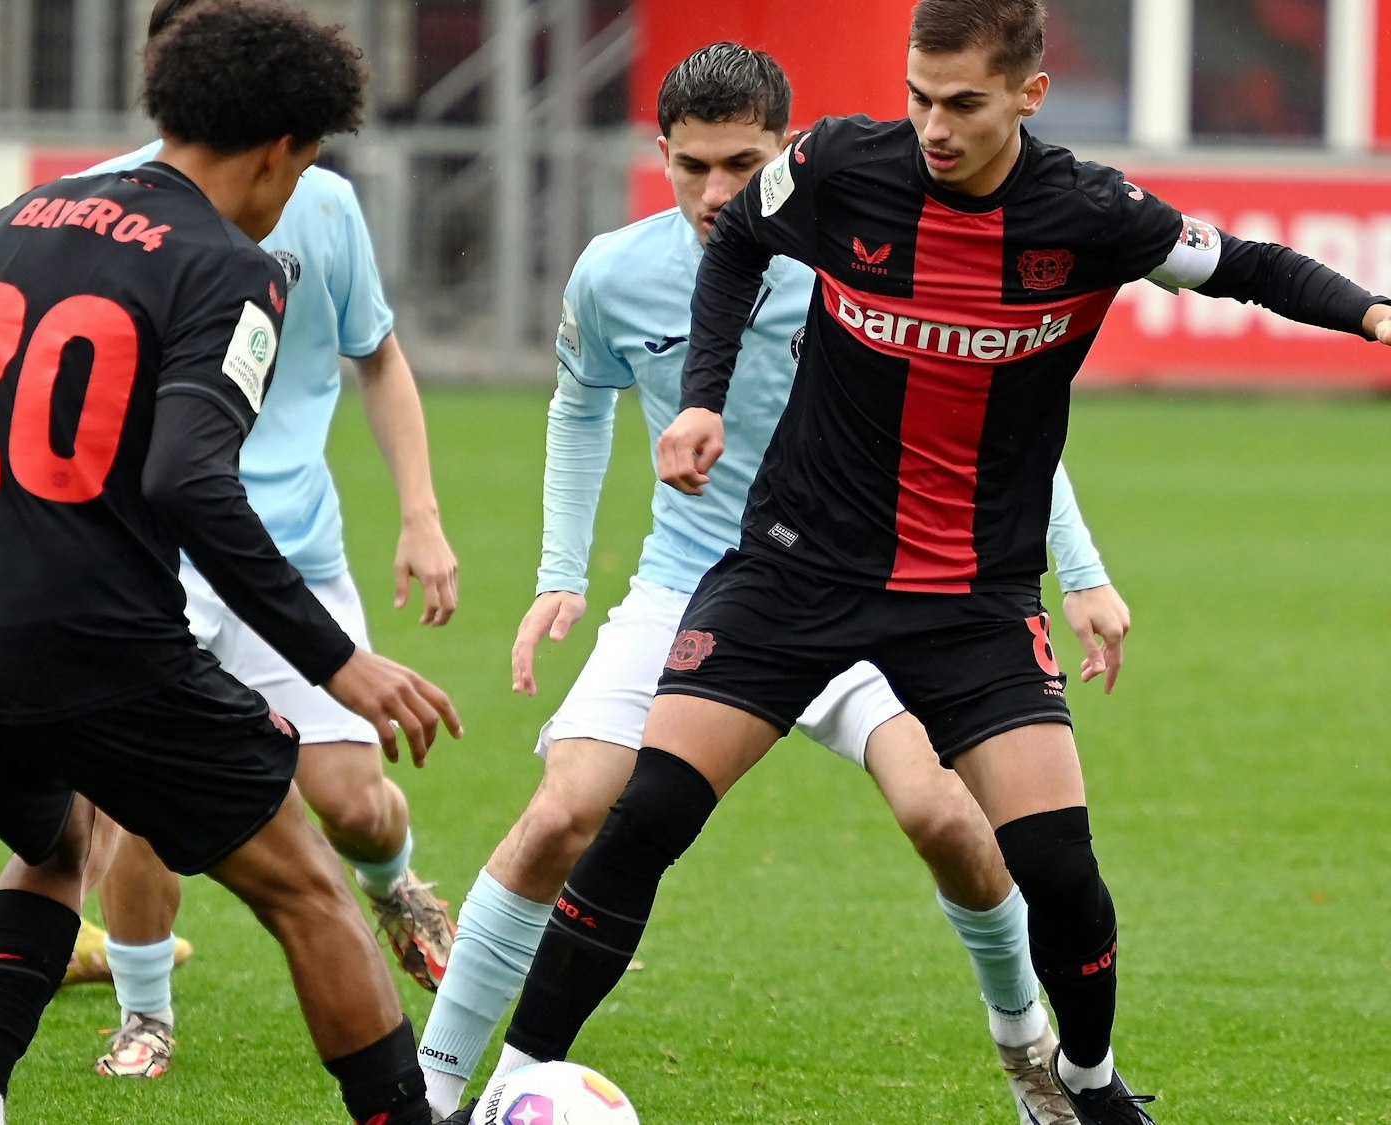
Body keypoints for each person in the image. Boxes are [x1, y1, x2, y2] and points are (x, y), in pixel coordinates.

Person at [478, 3, 1391, 1123]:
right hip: (794, 567)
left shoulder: (1088, 212)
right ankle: (513, 1087)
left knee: (1052, 868)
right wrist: (700, 399)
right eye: (917, 96)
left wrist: (1373, 315)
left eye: (961, 103)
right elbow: (738, 245)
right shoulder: (837, 166)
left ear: (1026, 97)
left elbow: (1239, 262)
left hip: (969, 595)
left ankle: (1083, 1083)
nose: (932, 127)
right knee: (645, 811)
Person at [422, 44, 1126, 1125]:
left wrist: (1076, 571)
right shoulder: (612, 274)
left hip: (884, 584)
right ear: (657, 154)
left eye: (740, 166)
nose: (715, 194)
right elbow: (577, 407)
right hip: (689, 588)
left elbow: (992, 423)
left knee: (944, 817)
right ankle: (434, 1087)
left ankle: (1030, 1056)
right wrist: (560, 572)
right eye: (691, 166)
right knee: (565, 812)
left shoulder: (860, 240)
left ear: (787, 152)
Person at [0, 5, 456, 1124]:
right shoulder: (234, 266)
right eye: (304, 161)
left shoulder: (23, 217)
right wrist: (339, 665)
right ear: (279, 152)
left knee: (54, 835)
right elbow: (189, 481)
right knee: (308, 889)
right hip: (91, 641)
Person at [61, 0, 462, 1081]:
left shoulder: (319, 204)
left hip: (294, 554)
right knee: (150, 804)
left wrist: (420, 515)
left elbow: (376, 354)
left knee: (354, 805)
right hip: (154, 562)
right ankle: (145, 1016)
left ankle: (395, 888)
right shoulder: (107, 206)